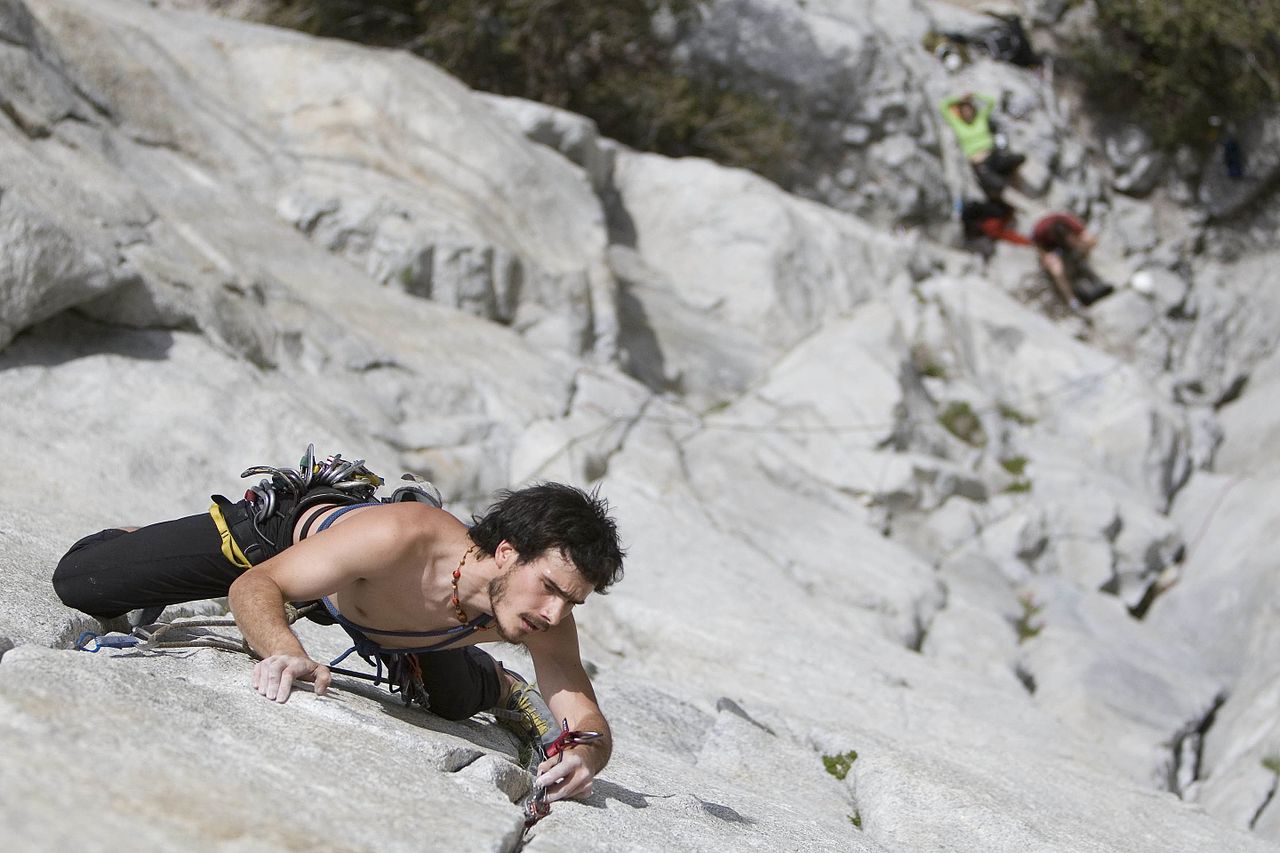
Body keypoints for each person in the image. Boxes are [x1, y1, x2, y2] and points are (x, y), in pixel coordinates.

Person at [52, 452, 625, 806]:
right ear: (506, 552)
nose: (554, 614)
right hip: (288, 550)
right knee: (84, 581)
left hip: (397, 625)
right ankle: (143, 540)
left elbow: (587, 719)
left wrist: (585, 755)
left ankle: (500, 686)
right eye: (550, 588)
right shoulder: (403, 537)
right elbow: (255, 589)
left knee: (451, 702)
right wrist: (285, 650)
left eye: (571, 601)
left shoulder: (541, 614)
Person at [940, 91, 1025, 201]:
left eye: (969, 110)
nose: (967, 113)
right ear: (960, 113)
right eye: (964, 111)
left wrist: (974, 95)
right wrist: (960, 99)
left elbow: (991, 102)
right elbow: (943, 106)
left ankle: (1011, 176)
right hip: (980, 163)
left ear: (973, 110)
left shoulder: (980, 118)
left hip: (993, 156)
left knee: (1018, 158)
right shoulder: (958, 124)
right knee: (995, 182)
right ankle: (1013, 197)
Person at [1030, 212, 1114, 312]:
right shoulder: (1041, 231)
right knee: (1057, 270)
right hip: (1051, 249)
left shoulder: (1068, 221)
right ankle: (1072, 301)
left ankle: (1096, 280)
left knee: (1085, 245)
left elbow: (1091, 240)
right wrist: (1049, 260)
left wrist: (1082, 250)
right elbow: (1040, 250)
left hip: (1073, 249)